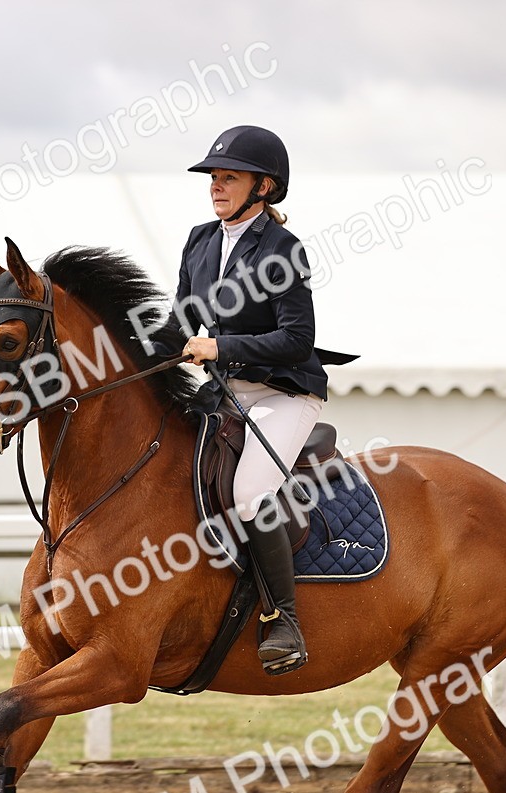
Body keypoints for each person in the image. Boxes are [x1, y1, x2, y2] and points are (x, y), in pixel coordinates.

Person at [175, 125, 354, 676]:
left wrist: (219, 344)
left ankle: (283, 618)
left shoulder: (283, 250)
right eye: (213, 177)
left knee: (251, 491)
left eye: (229, 177)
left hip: (285, 392)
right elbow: (181, 320)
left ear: (264, 187)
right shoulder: (201, 241)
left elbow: (296, 338)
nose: (216, 186)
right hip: (225, 392)